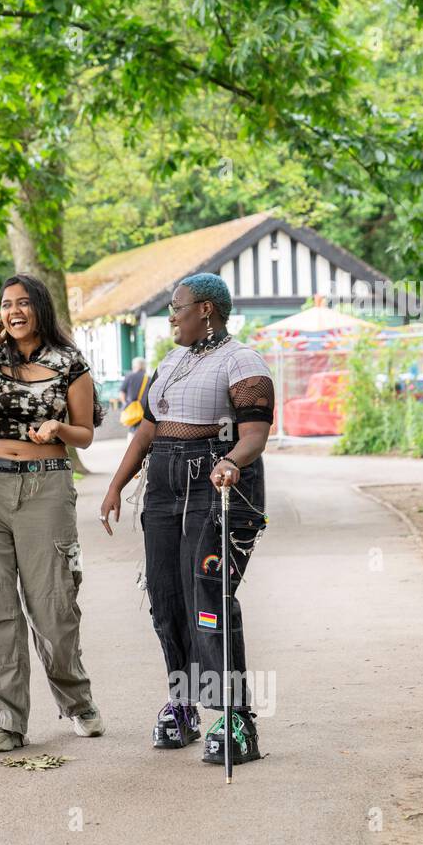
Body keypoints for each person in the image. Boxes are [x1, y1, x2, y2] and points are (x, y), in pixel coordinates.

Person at [98, 273, 274, 766]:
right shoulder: (171, 362)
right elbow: (148, 430)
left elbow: (255, 433)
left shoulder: (243, 361)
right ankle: (184, 703)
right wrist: (117, 483)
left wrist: (232, 462)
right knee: (164, 596)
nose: (171, 316)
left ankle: (237, 718)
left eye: (177, 307)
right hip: (164, 487)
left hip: (216, 484)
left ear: (207, 310)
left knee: (209, 596)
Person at [0, 274, 107, 753]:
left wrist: (58, 427)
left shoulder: (70, 362)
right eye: (5, 304)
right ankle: (7, 720)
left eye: (22, 303)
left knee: (54, 603)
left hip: (46, 485)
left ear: (39, 308)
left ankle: (78, 702)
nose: (13, 311)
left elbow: (85, 433)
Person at [120, 357, 147, 432]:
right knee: (144, 431)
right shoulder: (148, 378)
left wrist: (125, 403)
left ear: (135, 366)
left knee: (132, 432)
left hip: (132, 408)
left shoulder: (129, 376)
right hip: (145, 409)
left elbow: (122, 392)